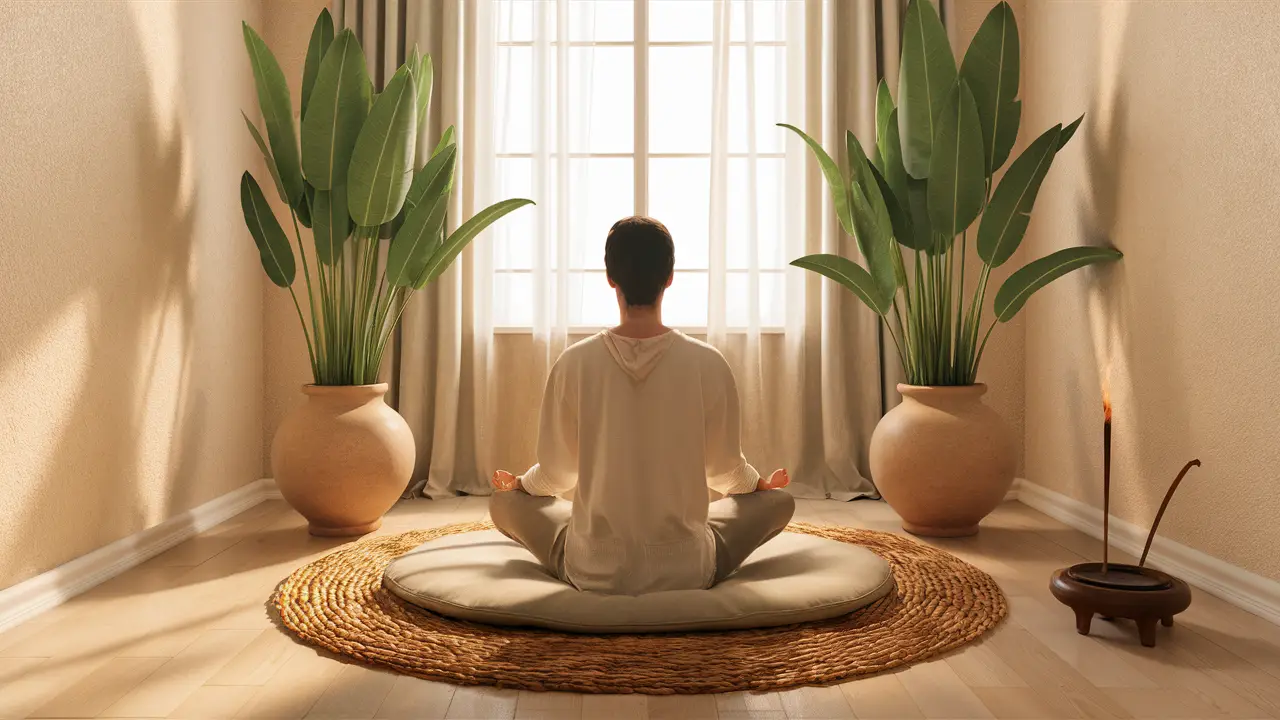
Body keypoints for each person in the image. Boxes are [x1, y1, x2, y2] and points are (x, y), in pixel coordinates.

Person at [489, 215, 794, 596]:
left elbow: (557, 475)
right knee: (779, 502)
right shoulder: (708, 362)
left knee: (504, 504)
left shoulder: (573, 363)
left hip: (592, 565)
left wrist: (519, 485)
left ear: (610, 277)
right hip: (686, 567)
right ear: (669, 277)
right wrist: (759, 486)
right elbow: (724, 470)